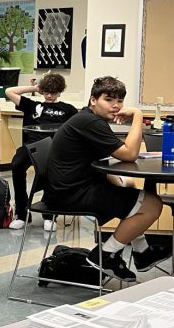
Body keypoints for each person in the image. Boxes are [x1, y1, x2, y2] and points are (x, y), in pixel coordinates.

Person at [44, 76, 171, 282]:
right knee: (152, 205)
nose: (116, 106)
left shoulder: (89, 119)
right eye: (109, 100)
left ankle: (142, 252)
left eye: (119, 101)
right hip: (70, 195)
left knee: (130, 188)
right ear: (93, 100)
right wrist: (137, 115)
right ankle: (105, 255)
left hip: (70, 188)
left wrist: (121, 182)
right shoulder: (89, 122)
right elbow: (129, 154)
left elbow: (105, 159)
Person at [5, 74, 78, 231]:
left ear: (60, 91)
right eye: (47, 92)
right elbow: (9, 91)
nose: (50, 96)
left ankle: (49, 215)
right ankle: (22, 213)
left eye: (53, 92)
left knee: (51, 173)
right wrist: (35, 88)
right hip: (31, 145)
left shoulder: (68, 109)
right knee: (17, 165)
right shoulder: (32, 105)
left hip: (54, 148)